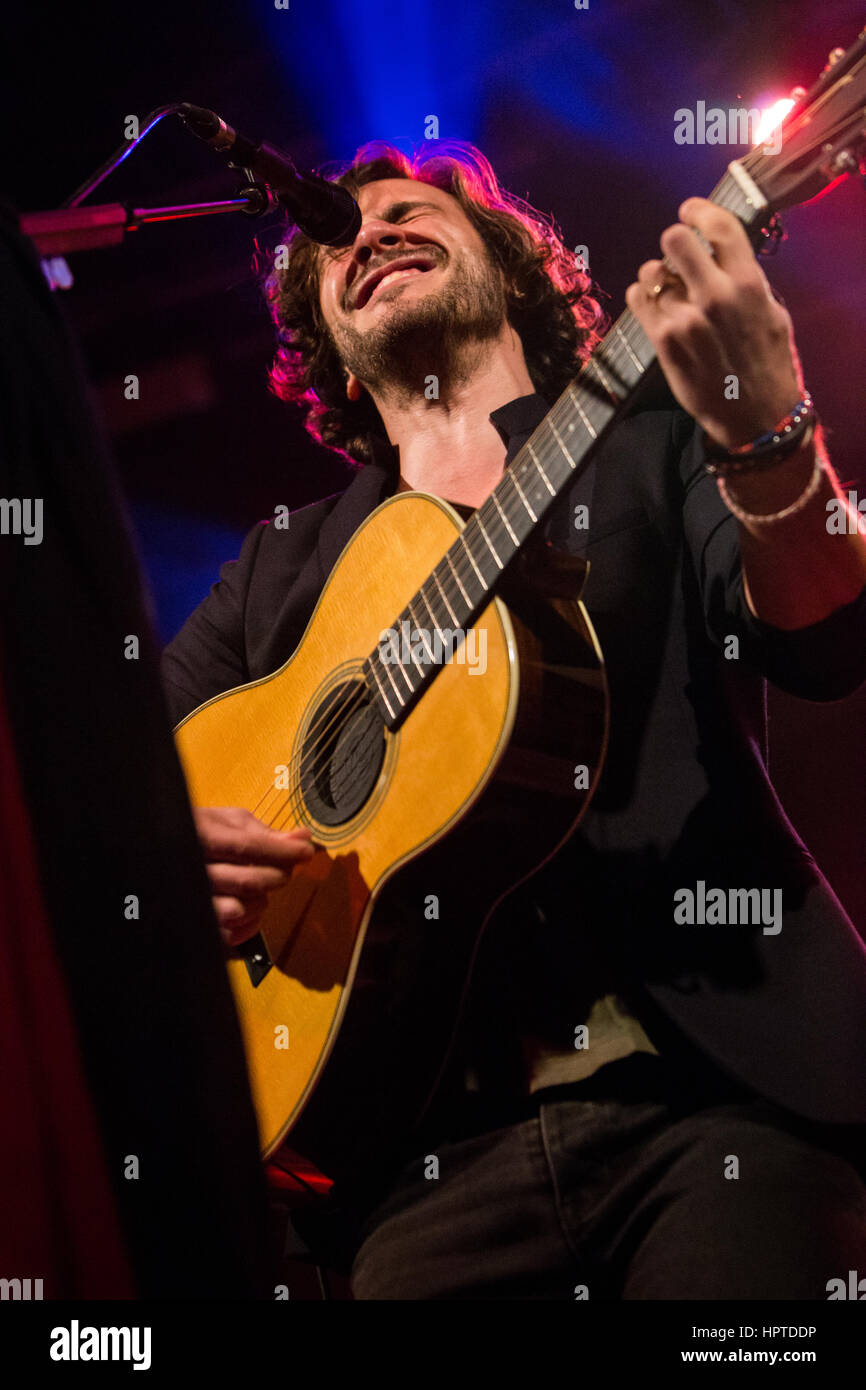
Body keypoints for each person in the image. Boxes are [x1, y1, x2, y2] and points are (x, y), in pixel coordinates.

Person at [162, 141, 866, 1299]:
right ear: (325, 349)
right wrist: (165, 865)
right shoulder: (276, 575)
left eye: (408, 210)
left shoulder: (657, 442)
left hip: (717, 1107)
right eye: (337, 235)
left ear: (509, 264)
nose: (368, 232)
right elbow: (110, 813)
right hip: (416, 1176)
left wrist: (768, 427)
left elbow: (823, 629)